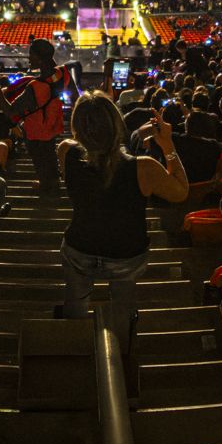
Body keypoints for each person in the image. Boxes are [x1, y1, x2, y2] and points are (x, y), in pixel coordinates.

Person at [57, 93, 188, 321]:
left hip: (79, 247)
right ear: (117, 123)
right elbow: (181, 192)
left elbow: (92, 157)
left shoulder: (65, 151)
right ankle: (122, 332)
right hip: (127, 254)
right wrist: (167, 144)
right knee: (123, 301)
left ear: (76, 124)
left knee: (75, 301)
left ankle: (73, 333)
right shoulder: (144, 168)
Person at [0, 39, 77, 197]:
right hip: (53, 125)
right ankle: (53, 183)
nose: (29, 59)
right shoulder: (63, 73)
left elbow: (10, 110)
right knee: (49, 154)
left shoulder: (34, 87)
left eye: (31, 55)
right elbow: (76, 97)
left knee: (40, 160)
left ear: (40, 59)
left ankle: (46, 188)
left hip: (36, 131)